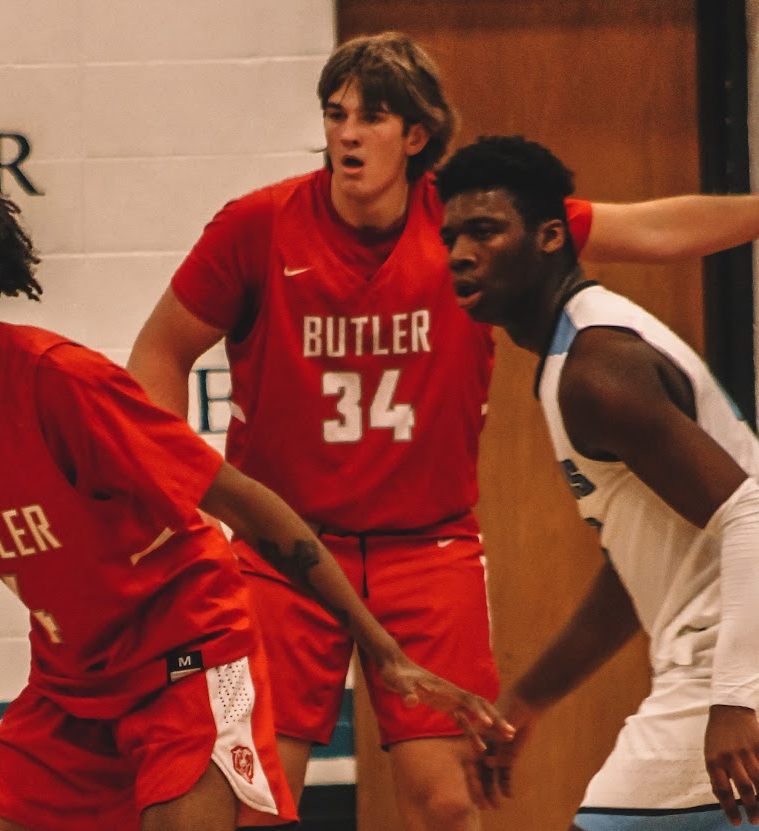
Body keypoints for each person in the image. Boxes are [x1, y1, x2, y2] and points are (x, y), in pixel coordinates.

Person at [126, 30, 759, 831]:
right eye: (334, 113)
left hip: (424, 550)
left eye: (371, 116)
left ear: (416, 135)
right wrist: (175, 508)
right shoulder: (259, 226)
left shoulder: (474, 228)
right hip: (285, 550)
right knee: (258, 797)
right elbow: (160, 350)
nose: (347, 132)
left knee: (448, 798)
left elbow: (657, 229)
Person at [0, 165, 509, 831]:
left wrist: (384, 650)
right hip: (72, 681)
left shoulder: (62, 386)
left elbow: (246, 501)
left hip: (187, 658)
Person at [435, 134, 759, 829]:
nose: (460, 252)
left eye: (485, 231)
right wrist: (526, 700)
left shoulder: (596, 367)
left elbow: (753, 513)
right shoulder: (576, 353)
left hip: (725, 677)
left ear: (552, 236)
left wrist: (737, 700)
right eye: (452, 235)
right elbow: (635, 566)